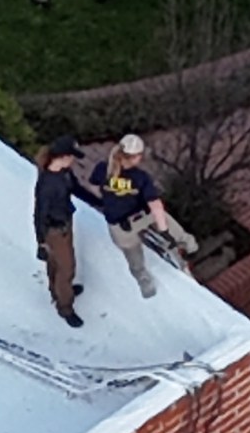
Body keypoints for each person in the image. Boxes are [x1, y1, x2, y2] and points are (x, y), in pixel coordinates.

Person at [89, 134, 198, 299]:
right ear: (135, 157)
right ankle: (189, 246)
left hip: (121, 225)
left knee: (133, 256)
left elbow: (94, 187)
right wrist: (164, 231)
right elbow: (155, 206)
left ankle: (144, 281)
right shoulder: (140, 178)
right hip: (143, 215)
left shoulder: (102, 169)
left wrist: (110, 201)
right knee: (171, 229)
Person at [33, 135, 101, 328]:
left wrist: (98, 202)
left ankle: (59, 291)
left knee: (57, 263)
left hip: (65, 223)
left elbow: (76, 189)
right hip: (54, 231)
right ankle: (65, 307)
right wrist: (41, 241)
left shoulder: (64, 173)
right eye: (71, 156)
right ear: (63, 157)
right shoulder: (47, 185)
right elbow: (39, 214)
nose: (73, 160)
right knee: (66, 268)